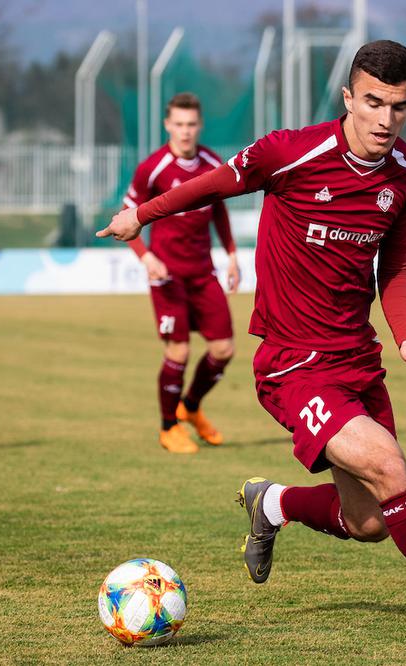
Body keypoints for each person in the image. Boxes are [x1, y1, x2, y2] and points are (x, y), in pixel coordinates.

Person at [98, 40, 406, 651]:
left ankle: (273, 504)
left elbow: (397, 263)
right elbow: (214, 184)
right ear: (348, 98)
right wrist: (141, 215)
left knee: (369, 523)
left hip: (358, 359)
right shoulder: (291, 152)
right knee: (391, 469)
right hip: (292, 362)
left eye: (401, 107)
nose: (385, 120)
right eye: (374, 103)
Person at [121, 92, 240, 454]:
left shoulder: (211, 162)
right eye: (179, 124)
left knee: (223, 349)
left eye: (191, 125)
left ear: (199, 125)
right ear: (167, 125)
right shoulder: (152, 168)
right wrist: (145, 257)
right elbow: (127, 215)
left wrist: (232, 255)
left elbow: (218, 211)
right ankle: (168, 427)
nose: (185, 132)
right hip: (167, 276)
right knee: (180, 351)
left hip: (204, 273)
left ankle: (189, 407)